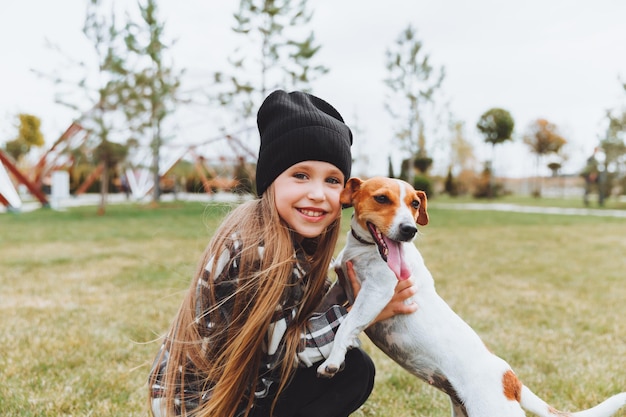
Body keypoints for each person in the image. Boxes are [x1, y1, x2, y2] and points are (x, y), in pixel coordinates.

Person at [148, 90, 418, 417]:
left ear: (345, 193)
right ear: (270, 180)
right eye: (300, 175)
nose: (318, 194)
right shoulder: (257, 251)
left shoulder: (292, 239)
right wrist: (361, 315)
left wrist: (347, 300)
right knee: (353, 371)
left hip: (235, 389)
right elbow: (279, 359)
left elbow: (294, 323)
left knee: (354, 369)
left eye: (332, 180)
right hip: (205, 406)